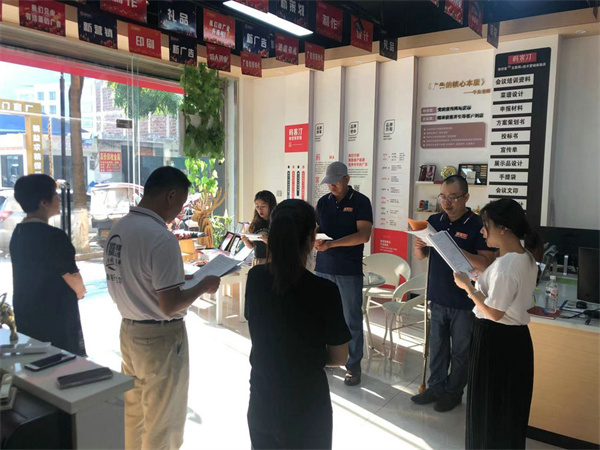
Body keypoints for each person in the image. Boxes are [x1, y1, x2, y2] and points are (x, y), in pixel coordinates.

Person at [104, 167, 220, 450]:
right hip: (160, 339)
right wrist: (204, 286)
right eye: (181, 203)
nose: (180, 211)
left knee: (134, 414)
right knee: (163, 421)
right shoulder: (160, 237)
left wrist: (184, 280)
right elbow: (170, 305)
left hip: (129, 331)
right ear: (171, 195)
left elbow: (140, 278)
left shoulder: (120, 228)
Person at [245, 199, 351, 449]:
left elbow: (259, 331)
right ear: (312, 237)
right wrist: (307, 355)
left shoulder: (255, 278)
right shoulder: (324, 290)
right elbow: (340, 357)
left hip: (262, 397)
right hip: (305, 403)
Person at [453, 198, 542, 449]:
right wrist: (482, 279)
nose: (482, 232)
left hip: (496, 341)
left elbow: (494, 313)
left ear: (503, 228)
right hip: (515, 341)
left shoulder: (506, 265)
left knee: (489, 409)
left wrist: (468, 287)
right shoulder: (525, 257)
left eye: (486, 225)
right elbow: (503, 293)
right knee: (507, 410)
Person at [411, 175, 494, 412]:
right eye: (443, 197)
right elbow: (421, 257)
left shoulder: (477, 224)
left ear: (466, 197)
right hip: (437, 295)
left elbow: (485, 263)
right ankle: (435, 387)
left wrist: (452, 247)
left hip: (465, 300)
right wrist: (419, 247)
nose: (447, 202)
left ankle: (453, 392)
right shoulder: (434, 220)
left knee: (460, 351)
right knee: (437, 347)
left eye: (453, 197)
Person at [10, 174, 87, 356]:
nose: (59, 200)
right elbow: (70, 275)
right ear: (44, 202)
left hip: (25, 311)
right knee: (62, 362)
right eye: (55, 195)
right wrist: (81, 291)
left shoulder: (18, 233)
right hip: (55, 314)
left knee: (34, 362)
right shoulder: (54, 236)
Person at [314, 161, 373, 386]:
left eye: (336, 182)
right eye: (329, 183)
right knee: (322, 317)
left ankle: (353, 365)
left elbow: (363, 235)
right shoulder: (323, 202)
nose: (332, 187)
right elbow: (316, 229)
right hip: (323, 268)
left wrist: (333, 244)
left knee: (351, 319)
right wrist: (315, 240)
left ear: (347, 179)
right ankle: (325, 358)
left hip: (348, 270)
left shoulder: (361, 202)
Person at [240, 190, 277, 265]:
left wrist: (269, 241)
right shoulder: (256, 223)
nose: (260, 210)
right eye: (257, 206)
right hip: (257, 260)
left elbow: (282, 246)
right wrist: (245, 240)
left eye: (263, 206)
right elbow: (252, 246)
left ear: (271, 206)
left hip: (271, 261)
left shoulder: (276, 222)